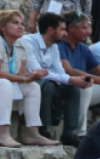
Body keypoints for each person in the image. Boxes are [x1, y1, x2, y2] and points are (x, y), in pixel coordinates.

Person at [20, 11, 91, 144]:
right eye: (62, 30)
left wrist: (73, 81)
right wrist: (70, 79)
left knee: (72, 88)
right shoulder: (27, 42)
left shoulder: (54, 47)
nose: (65, 34)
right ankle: (43, 130)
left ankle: (69, 133)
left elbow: (60, 71)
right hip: (29, 81)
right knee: (48, 85)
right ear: (51, 30)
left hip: (46, 81)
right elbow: (37, 72)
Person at [0, 9, 54, 147]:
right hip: (3, 84)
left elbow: (20, 74)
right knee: (5, 83)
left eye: (22, 23)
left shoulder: (21, 44)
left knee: (33, 87)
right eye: (15, 23)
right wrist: (24, 78)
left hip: (8, 83)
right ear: (2, 27)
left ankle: (32, 134)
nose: (20, 26)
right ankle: (3, 134)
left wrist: (32, 75)